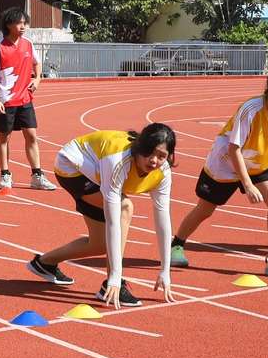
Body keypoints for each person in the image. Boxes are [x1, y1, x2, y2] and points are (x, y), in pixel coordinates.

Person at [168, 62, 268, 281]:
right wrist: (247, 184)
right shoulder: (251, 109)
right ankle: (176, 245)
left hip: (257, 163)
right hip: (226, 164)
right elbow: (234, 149)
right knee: (205, 209)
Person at [27, 125, 177, 306]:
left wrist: (165, 271)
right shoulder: (118, 160)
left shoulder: (163, 173)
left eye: (161, 156)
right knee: (124, 207)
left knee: (99, 244)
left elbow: (163, 220)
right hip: (72, 167)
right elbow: (113, 221)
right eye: (148, 153)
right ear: (139, 148)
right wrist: (114, 276)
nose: (154, 160)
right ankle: (112, 284)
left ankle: (44, 263)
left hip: (96, 172)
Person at [0, 8, 54, 190]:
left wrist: (37, 78)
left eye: (25, 23)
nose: (23, 26)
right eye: (19, 23)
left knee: (31, 135)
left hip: (25, 99)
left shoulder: (28, 44)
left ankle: (37, 175)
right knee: (4, 137)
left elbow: (37, 63)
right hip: (5, 101)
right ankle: (5, 174)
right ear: (8, 24)